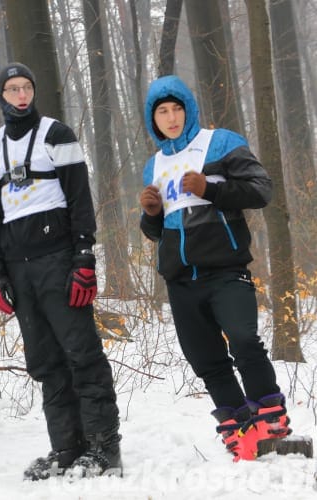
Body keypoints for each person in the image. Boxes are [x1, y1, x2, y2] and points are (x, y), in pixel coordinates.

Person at [0, 63, 122, 480]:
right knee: (44, 360)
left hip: (59, 260)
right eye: (11, 89)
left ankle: (103, 447)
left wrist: (84, 259)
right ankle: (66, 446)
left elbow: (79, 196)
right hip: (18, 267)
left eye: (26, 87)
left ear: (33, 91)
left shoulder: (56, 134)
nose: (20, 95)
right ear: (1, 96)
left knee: (82, 353)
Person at [139, 75, 291, 461]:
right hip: (180, 278)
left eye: (176, 109)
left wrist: (211, 189)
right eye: (162, 112)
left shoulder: (219, 142)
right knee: (206, 359)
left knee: (242, 339)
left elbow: (261, 190)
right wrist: (151, 214)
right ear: (152, 119)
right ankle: (239, 429)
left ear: (188, 109)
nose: (171, 118)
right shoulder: (153, 165)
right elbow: (157, 231)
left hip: (226, 268)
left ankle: (270, 418)